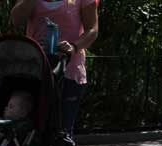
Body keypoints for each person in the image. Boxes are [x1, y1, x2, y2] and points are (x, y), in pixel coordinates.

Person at [11, 0, 99, 137]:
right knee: (29, 128)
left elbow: (92, 30)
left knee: (62, 131)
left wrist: (74, 47)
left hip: (68, 72)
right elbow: (16, 20)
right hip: (35, 71)